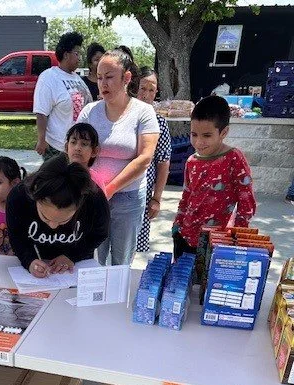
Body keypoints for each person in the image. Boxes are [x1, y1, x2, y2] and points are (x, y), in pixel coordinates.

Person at [77, 49, 159, 265]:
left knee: (121, 261)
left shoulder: (143, 112)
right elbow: (76, 152)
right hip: (93, 196)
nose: (103, 84)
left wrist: (110, 188)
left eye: (109, 77)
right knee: (93, 259)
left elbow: (144, 159)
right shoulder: (89, 112)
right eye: (99, 77)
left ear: (127, 77)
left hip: (128, 198)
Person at [172, 95, 256, 260]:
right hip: (185, 236)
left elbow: (246, 203)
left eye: (207, 135)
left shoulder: (234, 158)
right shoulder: (191, 161)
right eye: (194, 134)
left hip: (217, 242)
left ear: (224, 132)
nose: (198, 142)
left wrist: (237, 236)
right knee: (181, 275)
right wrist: (177, 224)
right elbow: (187, 195)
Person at [6, 154, 109, 277]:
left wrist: (72, 256)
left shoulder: (94, 199)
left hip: (78, 265)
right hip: (37, 261)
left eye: (63, 221)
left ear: (80, 205)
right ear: (35, 197)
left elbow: (99, 233)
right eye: (45, 217)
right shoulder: (18, 197)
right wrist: (29, 261)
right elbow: (16, 236)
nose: (53, 226)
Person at [33, 32, 92, 161]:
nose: (80, 58)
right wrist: (41, 140)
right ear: (66, 55)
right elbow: (41, 112)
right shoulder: (49, 77)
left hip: (77, 147)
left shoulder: (77, 78)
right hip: (56, 147)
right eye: (77, 54)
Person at [135, 67, 172, 252]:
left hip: (143, 194)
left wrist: (156, 199)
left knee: (132, 248)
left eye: (152, 90)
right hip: (116, 192)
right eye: (143, 88)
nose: (146, 95)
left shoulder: (160, 124)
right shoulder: (121, 118)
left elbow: (163, 163)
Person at [64, 122, 104, 190]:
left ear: (94, 151)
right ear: (66, 147)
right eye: (73, 142)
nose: (77, 148)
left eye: (84, 144)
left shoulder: (95, 181)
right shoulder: (57, 175)